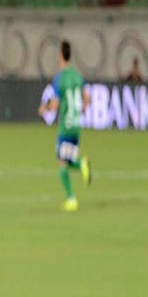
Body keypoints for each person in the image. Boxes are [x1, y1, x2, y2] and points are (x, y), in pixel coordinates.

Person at [39, 40, 91, 211]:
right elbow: (87, 98)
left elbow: (54, 105)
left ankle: (71, 198)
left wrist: (44, 108)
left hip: (66, 125)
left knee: (62, 161)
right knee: (67, 159)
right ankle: (81, 164)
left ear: (60, 54)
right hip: (76, 124)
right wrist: (80, 110)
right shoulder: (77, 75)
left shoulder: (60, 78)